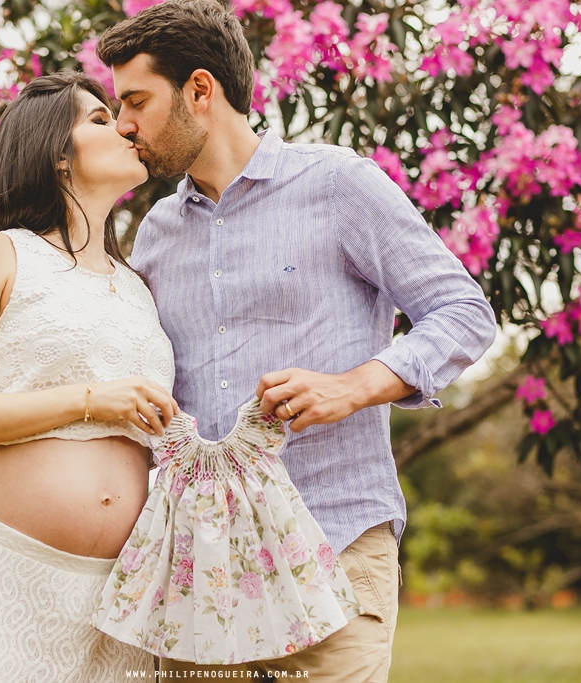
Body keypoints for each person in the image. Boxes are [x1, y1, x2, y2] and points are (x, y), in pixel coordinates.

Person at [96, 1, 498, 680]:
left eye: (136, 101)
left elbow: (463, 311)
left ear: (200, 90)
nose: (124, 124)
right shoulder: (156, 233)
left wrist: (355, 386)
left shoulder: (340, 184)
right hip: (203, 574)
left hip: (335, 545)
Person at [0, 71, 177, 683]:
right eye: (99, 119)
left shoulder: (138, 286)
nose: (126, 127)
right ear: (57, 154)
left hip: (114, 599)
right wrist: (90, 400)